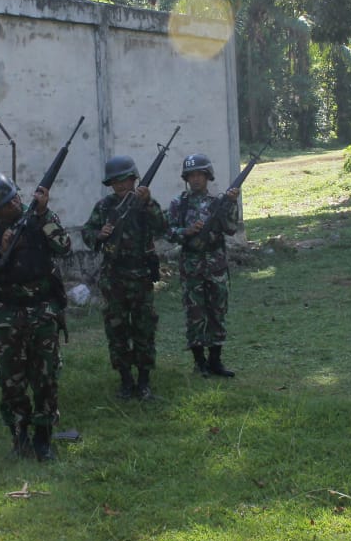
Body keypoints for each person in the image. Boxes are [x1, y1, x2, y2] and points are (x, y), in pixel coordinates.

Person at [0, 173, 72, 461]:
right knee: (11, 380)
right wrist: (0, 251)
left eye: (14, 197)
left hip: (42, 312)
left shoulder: (39, 220)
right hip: (7, 316)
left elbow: (64, 246)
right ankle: (20, 435)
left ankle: (44, 437)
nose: (14, 204)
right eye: (5, 203)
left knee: (46, 377)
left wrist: (43, 213)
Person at [81, 155, 166, 400]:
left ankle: (144, 382)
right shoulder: (104, 207)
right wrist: (100, 233)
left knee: (144, 329)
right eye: (115, 182)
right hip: (113, 278)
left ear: (133, 179)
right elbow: (88, 233)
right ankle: (126, 381)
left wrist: (148, 203)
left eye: (125, 180)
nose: (120, 186)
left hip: (140, 276)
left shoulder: (146, 204)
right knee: (117, 331)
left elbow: (162, 228)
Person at [166, 153, 240, 378]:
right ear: (186, 178)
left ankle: (216, 361)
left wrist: (231, 203)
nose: (196, 179)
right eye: (191, 175)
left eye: (200, 174)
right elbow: (168, 232)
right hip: (191, 267)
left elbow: (230, 228)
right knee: (195, 314)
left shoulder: (217, 202)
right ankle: (199, 363)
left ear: (207, 176)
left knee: (217, 312)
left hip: (215, 265)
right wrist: (186, 231)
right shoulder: (179, 203)